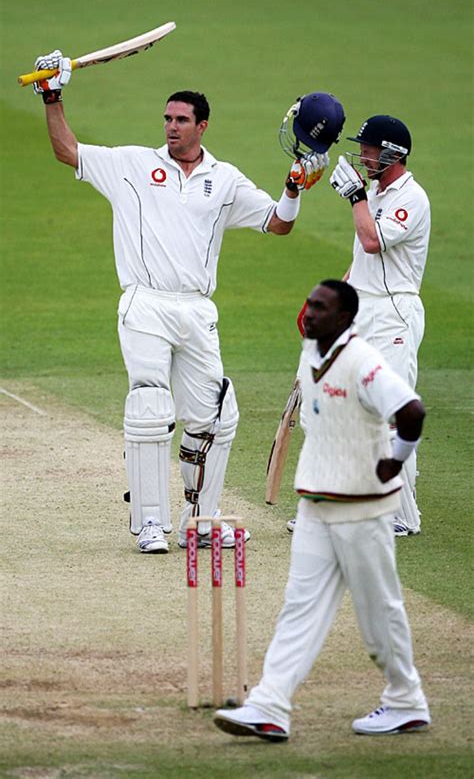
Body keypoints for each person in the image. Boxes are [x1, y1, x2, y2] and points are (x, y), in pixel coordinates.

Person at [32, 51, 340, 555]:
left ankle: (199, 521)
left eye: (181, 120)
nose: (172, 128)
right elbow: (68, 150)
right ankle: (149, 523)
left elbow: (278, 223)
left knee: (216, 414)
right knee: (150, 407)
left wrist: (293, 188)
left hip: (197, 309)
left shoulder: (225, 179)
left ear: (202, 125)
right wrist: (52, 96)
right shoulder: (133, 164)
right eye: (167, 119)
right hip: (145, 304)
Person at [214, 280, 430, 741]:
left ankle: (405, 699)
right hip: (315, 500)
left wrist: (393, 461)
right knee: (299, 606)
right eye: (309, 303)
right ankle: (270, 705)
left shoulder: (361, 360)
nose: (309, 313)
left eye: (320, 307)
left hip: (360, 508)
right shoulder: (313, 352)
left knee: (377, 613)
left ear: (345, 318)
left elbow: (411, 410)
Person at [329, 116, 431, 537]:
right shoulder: (374, 191)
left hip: (395, 312)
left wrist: (355, 197)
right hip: (366, 308)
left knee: (391, 411)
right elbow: (363, 258)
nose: (362, 155)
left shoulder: (413, 198)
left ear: (393, 153)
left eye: (368, 149)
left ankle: (401, 515)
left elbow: (373, 240)